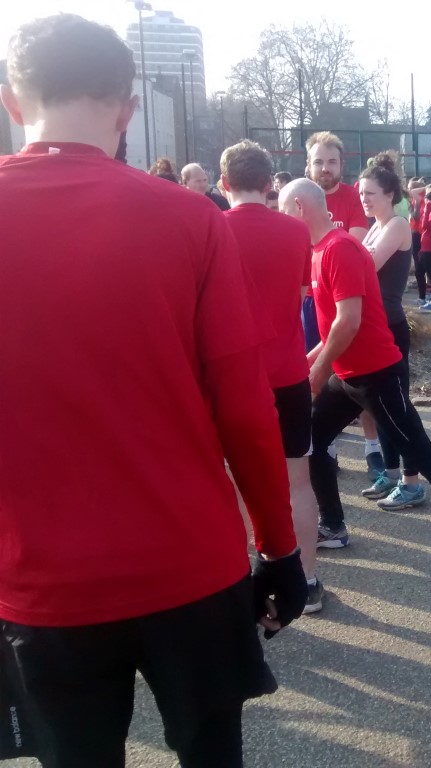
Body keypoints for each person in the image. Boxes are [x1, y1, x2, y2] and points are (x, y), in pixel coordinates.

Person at [0, 16, 307, 765]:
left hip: (39, 576)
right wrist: (280, 546)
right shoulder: (189, 218)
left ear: (13, 101)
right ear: (128, 108)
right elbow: (243, 407)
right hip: (188, 563)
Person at [279, 179, 431, 571]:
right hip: (348, 374)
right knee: (313, 440)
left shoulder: (339, 248)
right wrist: (309, 362)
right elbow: (334, 329)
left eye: (284, 210)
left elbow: (349, 321)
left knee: (420, 452)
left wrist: (316, 372)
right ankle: (333, 525)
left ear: (300, 207)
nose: (282, 220)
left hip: (375, 375)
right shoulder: (320, 250)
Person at [220, 140, 323, 615]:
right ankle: (307, 578)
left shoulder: (212, 228)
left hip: (232, 376)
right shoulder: (295, 231)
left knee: (235, 480)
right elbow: (302, 294)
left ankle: (238, 578)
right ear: (269, 184)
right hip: (288, 373)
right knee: (296, 480)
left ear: (223, 184)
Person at [358, 151, 429, 510]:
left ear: (389, 194)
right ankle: (389, 470)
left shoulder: (398, 224)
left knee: (399, 408)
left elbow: (366, 266)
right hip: (374, 324)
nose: (363, 200)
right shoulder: (376, 225)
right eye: (360, 194)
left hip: (391, 325)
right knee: (379, 405)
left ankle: (412, 481)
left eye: (369, 193)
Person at [304, 131, 379, 476]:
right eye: (318, 161)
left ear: (341, 164)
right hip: (311, 300)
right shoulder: (300, 199)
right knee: (318, 379)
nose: (325, 168)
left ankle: (372, 447)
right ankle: (326, 449)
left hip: (345, 300)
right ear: (309, 165)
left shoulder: (351, 198)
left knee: (354, 378)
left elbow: (356, 246)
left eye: (331, 161)